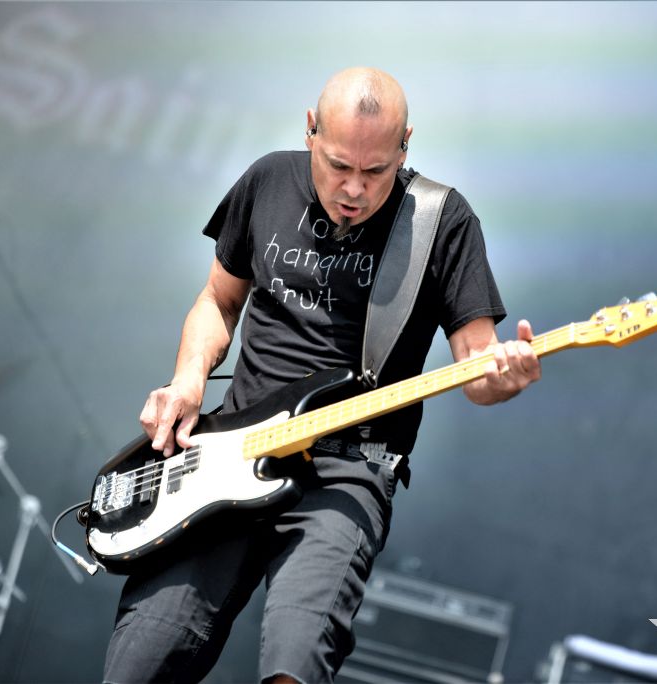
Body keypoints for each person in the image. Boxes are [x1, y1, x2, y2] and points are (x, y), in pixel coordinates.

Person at [102, 66, 541, 684]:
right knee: (143, 656)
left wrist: (503, 377)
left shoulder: (441, 220)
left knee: (295, 664)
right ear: (310, 130)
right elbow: (219, 300)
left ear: (406, 145)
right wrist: (188, 380)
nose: (354, 189)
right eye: (338, 166)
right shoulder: (267, 180)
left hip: (348, 469)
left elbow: (476, 364)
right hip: (229, 453)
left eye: (375, 172)